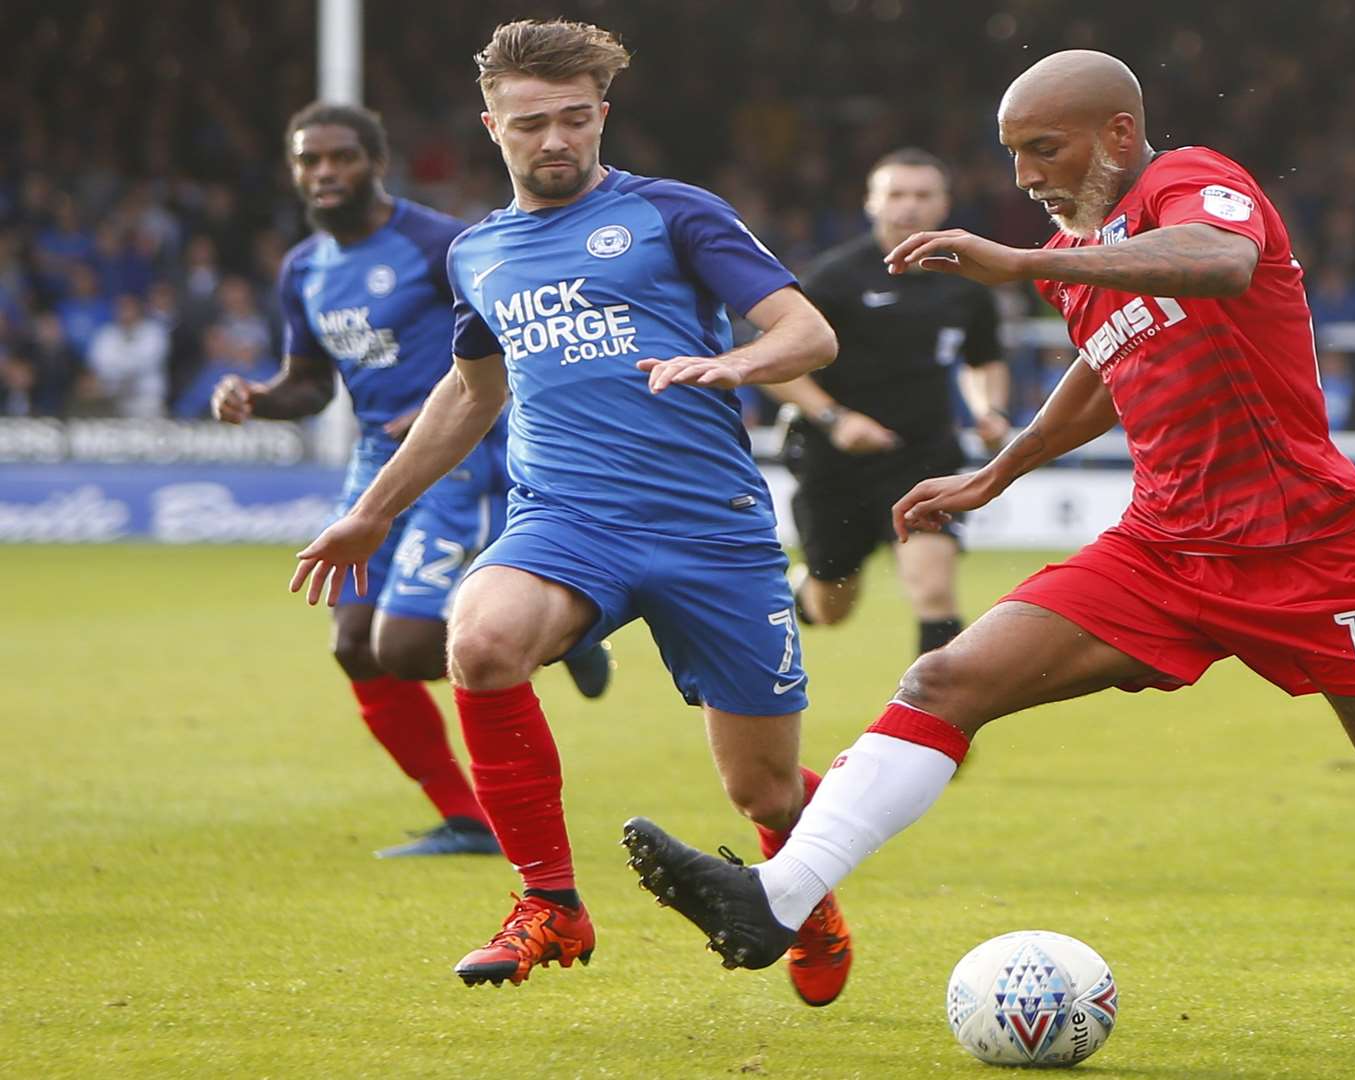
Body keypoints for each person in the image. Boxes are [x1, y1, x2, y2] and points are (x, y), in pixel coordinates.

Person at [619, 50, 1355, 1060]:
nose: (1026, 179)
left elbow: (1219, 266)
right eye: (1014, 156)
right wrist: (1000, 472)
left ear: (1118, 133)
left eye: (1043, 150)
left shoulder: (1194, 185)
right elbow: (1104, 364)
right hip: (1164, 549)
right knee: (943, 682)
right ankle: (780, 898)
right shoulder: (1087, 251)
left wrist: (1028, 267)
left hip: (1312, 552)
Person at [288, 19, 852, 1002]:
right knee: (481, 636)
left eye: (575, 119)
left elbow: (806, 332)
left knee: (761, 788)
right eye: (532, 123)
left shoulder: (676, 215)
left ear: (602, 115)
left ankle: (804, 895)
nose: (555, 141)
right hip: (570, 518)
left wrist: (736, 363)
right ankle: (549, 900)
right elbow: (470, 392)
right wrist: (376, 510)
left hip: (711, 527)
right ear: (491, 127)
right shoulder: (476, 254)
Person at [223, 104, 609, 860]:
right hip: (374, 461)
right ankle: (466, 819)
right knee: (352, 647)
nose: (326, 173)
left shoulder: (440, 245)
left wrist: (439, 406)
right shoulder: (304, 267)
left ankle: (567, 629)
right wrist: (259, 399)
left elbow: (508, 347)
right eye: (310, 161)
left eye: (342, 157)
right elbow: (309, 385)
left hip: (461, 461)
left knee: (401, 647)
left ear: (376, 162)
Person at [769, 148, 1009, 654]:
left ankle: (936, 721)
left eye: (923, 195)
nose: (909, 206)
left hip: (924, 456)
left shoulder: (968, 284)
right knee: (831, 608)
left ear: (945, 204)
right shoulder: (834, 278)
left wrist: (989, 409)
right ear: (871, 203)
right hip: (835, 461)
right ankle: (802, 594)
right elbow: (773, 364)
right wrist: (837, 421)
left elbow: (981, 359)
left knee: (934, 589)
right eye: (896, 194)